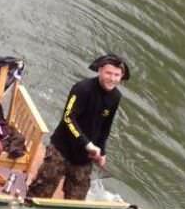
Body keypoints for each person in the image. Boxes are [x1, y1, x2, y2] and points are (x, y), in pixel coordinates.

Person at [27, 53, 130, 200]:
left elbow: (105, 126)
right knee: (40, 192)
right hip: (61, 149)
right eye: (108, 73)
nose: (112, 78)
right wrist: (87, 144)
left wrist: (102, 152)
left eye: (116, 75)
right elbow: (68, 118)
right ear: (100, 70)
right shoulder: (82, 88)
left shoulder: (116, 97)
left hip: (84, 158)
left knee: (77, 200)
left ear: (121, 77)